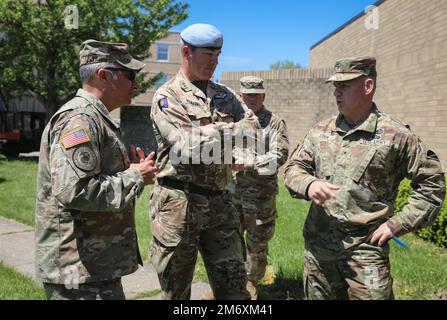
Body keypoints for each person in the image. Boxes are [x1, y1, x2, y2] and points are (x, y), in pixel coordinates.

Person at [284, 56, 445, 300]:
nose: (336, 93)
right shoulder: (320, 132)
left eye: (344, 86)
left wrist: (397, 224)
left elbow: (432, 185)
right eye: (335, 87)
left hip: (366, 249)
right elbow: (293, 167)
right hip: (319, 249)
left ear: (368, 86)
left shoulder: (396, 136)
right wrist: (309, 184)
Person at [35, 39, 158, 300]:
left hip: (92, 268)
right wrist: (136, 175)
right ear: (104, 75)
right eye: (129, 75)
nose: (135, 84)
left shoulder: (93, 118)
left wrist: (131, 170)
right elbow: (76, 190)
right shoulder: (80, 119)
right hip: (78, 273)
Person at [150, 23, 260, 300]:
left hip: (222, 203)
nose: (215, 62)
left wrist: (215, 136)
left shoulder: (225, 94)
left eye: (218, 55)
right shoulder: (167, 96)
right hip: (179, 205)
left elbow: (255, 131)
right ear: (187, 51)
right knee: (176, 291)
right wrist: (230, 132)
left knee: (235, 289)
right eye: (208, 55)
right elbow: (186, 147)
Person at [232, 76, 289, 299]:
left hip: (260, 198)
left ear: (263, 96)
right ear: (241, 96)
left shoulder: (274, 123)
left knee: (256, 246)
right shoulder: (233, 120)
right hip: (232, 194)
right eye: (247, 95)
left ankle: (252, 286)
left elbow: (280, 155)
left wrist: (250, 163)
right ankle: (232, 287)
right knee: (230, 242)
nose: (251, 99)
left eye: (255, 95)